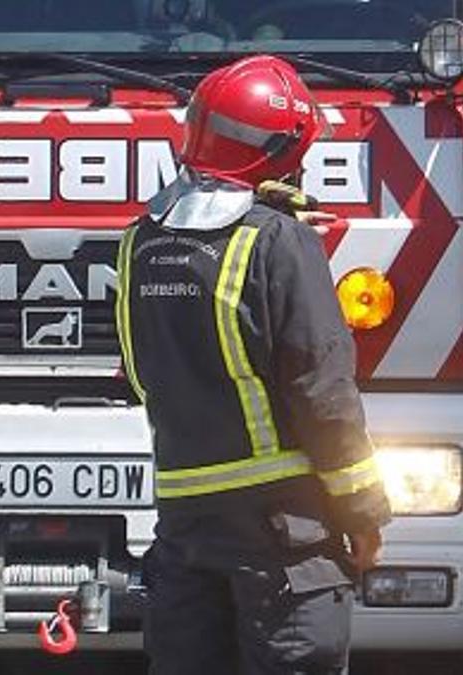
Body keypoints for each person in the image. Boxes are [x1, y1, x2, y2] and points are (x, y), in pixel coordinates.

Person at [116, 55, 391, 674]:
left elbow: (140, 377)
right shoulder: (280, 242)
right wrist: (365, 513)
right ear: (276, 151)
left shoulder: (142, 239)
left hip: (185, 536)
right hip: (285, 541)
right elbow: (323, 394)